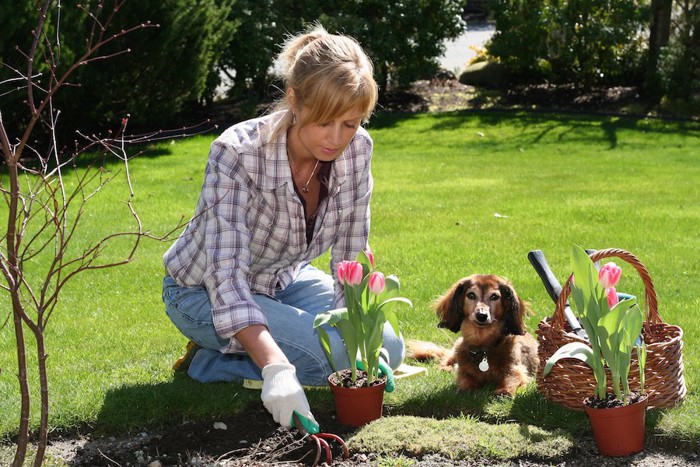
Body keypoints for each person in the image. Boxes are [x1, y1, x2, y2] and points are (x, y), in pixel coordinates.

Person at [162, 24, 405, 429]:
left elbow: (350, 252)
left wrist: (358, 335)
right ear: (294, 100)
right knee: (330, 358)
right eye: (325, 122)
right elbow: (226, 278)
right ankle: (213, 361)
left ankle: (232, 352)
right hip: (202, 292)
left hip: (282, 279)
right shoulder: (236, 153)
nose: (337, 139)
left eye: (350, 122)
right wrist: (276, 368)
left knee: (386, 347)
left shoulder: (357, 148)